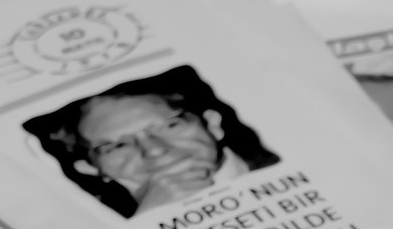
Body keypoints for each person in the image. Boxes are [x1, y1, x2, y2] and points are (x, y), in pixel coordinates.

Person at [24, 70, 280, 218]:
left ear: (213, 124)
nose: (155, 150)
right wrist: (153, 219)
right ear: (89, 168)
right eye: (117, 146)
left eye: (170, 126)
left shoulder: (290, 153)